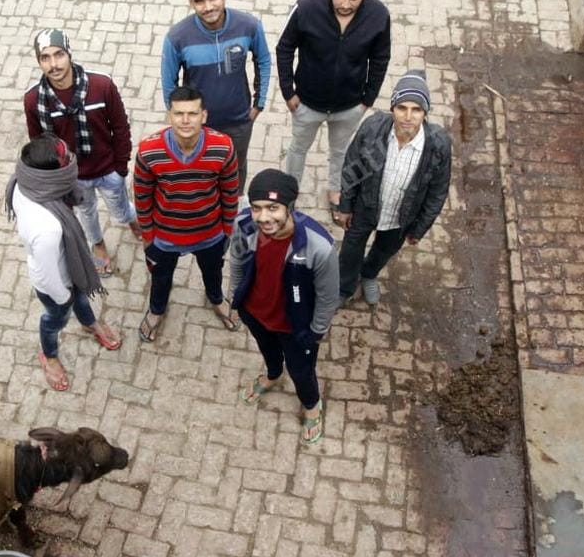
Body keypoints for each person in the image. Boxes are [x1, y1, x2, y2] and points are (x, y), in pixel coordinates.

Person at [5, 135, 123, 392]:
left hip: (72, 267)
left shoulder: (24, 182)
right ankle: (49, 355)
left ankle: (89, 323)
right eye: (65, 159)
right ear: (52, 176)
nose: (72, 160)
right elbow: (47, 276)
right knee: (55, 320)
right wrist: (62, 298)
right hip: (56, 285)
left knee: (82, 299)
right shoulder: (47, 228)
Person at [229, 169, 339, 445]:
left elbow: (327, 297)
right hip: (256, 313)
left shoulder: (318, 246)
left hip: (296, 327)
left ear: (290, 207)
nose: (264, 218)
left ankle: (312, 405)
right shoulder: (244, 225)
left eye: (273, 208)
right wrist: (235, 298)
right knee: (268, 351)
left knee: (301, 370)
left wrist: (315, 332)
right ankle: (273, 375)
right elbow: (237, 262)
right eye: (257, 208)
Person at [276, 0, 392, 210]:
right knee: (298, 149)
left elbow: (381, 59)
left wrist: (367, 100)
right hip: (306, 103)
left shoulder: (378, 15)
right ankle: (290, 193)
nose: (346, 4)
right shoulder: (306, 8)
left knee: (340, 153)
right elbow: (284, 48)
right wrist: (288, 92)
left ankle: (335, 190)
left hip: (349, 106)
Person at [24, 28, 138, 277]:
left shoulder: (101, 85)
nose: (54, 64)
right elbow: (39, 144)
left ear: (69, 53)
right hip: (74, 177)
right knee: (87, 214)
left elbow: (120, 127)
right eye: (45, 58)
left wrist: (120, 167)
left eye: (59, 54)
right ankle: (98, 244)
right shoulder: (34, 100)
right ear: (39, 62)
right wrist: (57, 182)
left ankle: (132, 219)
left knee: (120, 209)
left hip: (109, 170)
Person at [335, 70, 452, 306]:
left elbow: (438, 192)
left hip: (401, 218)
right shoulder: (373, 130)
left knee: (383, 251)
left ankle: (368, 275)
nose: (408, 116)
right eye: (402, 108)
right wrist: (345, 206)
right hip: (364, 208)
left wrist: (419, 228)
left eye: (416, 110)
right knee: (350, 251)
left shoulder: (438, 145)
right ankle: (343, 288)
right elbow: (351, 168)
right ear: (392, 108)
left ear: (425, 113)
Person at [133, 86, 240, 343]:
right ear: (169, 115)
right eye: (179, 114)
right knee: (161, 277)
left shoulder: (223, 147)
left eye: (192, 114)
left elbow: (230, 192)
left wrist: (226, 230)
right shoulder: (149, 151)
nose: (185, 120)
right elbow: (142, 196)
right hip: (165, 236)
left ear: (204, 116)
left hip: (210, 233)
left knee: (213, 272)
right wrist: (149, 236)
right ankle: (157, 309)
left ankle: (216, 298)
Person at [162, 0, 271, 196]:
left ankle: (234, 205)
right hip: (198, 125)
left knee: (236, 168)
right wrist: (182, 120)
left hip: (239, 121)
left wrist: (258, 105)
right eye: (200, 1)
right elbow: (169, 85)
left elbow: (263, 59)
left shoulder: (249, 25)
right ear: (191, 2)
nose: (209, 7)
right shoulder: (177, 38)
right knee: (199, 171)